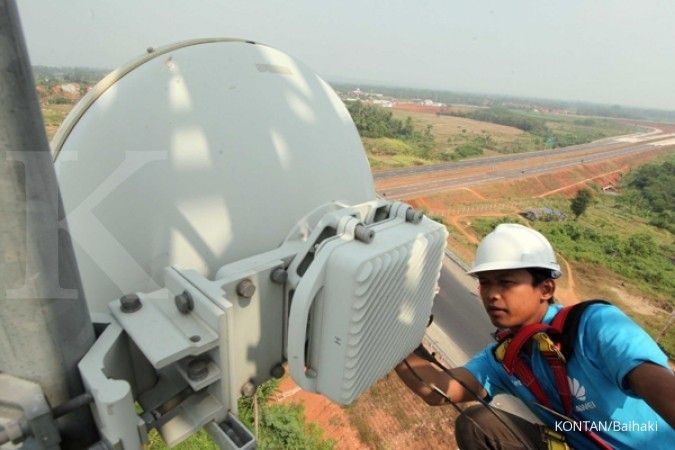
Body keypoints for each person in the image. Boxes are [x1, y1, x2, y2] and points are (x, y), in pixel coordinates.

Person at [396, 223, 675, 449]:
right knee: (478, 423)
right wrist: (392, 337)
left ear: (545, 289)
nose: (492, 294)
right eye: (485, 283)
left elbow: (658, 386)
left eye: (506, 282)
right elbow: (438, 390)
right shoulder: (506, 359)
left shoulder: (593, 325)